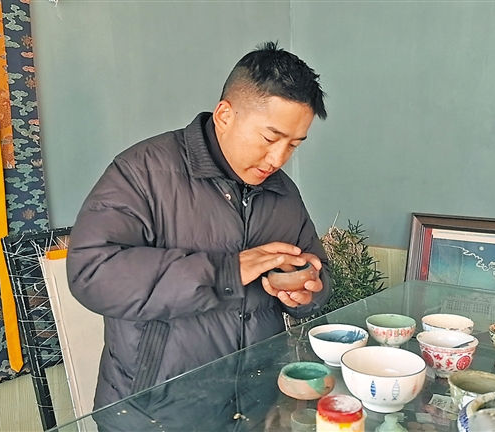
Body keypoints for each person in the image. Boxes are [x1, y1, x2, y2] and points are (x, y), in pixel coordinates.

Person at [67, 41, 333, 410]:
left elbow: (318, 273)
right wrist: (225, 272)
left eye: (294, 145)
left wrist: (307, 291)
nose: (278, 158)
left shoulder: (283, 192)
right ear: (224, 115)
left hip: (257, 404)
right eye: (270, 138)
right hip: (156, 410)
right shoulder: (143, 171)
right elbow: (91, 273)